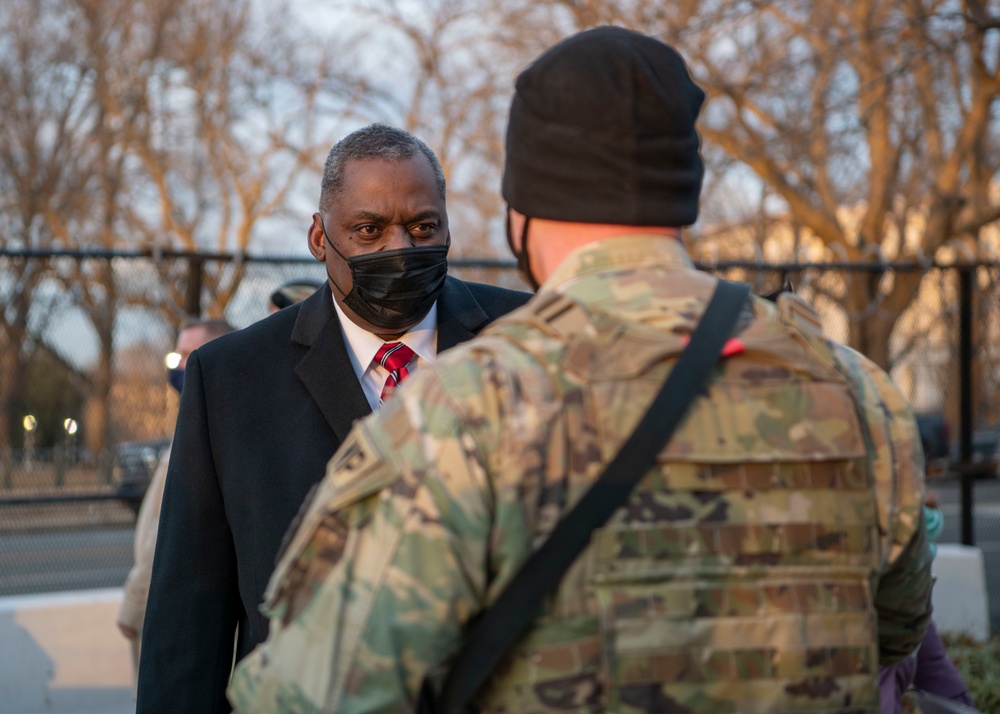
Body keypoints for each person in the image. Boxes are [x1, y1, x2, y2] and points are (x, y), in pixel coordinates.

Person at [227, 29, 934, 713]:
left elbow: (313, 690)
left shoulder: (472, 405)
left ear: (520, 210)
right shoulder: (854, 389)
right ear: (681, 192)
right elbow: (896, 634)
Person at [134, 123, 529, 714]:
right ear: (320, 237)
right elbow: (188, 623)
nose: (399, 250)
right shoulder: (230, 380)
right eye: (368, 230)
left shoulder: (527, 339)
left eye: (423, 227)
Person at [116, 318, 235, 690]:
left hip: (169, 610)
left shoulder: (211, 427)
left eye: (187, 354)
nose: (178, 366)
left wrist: (133, 603)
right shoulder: (201, 417)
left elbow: (165, 536)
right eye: (177, 355)